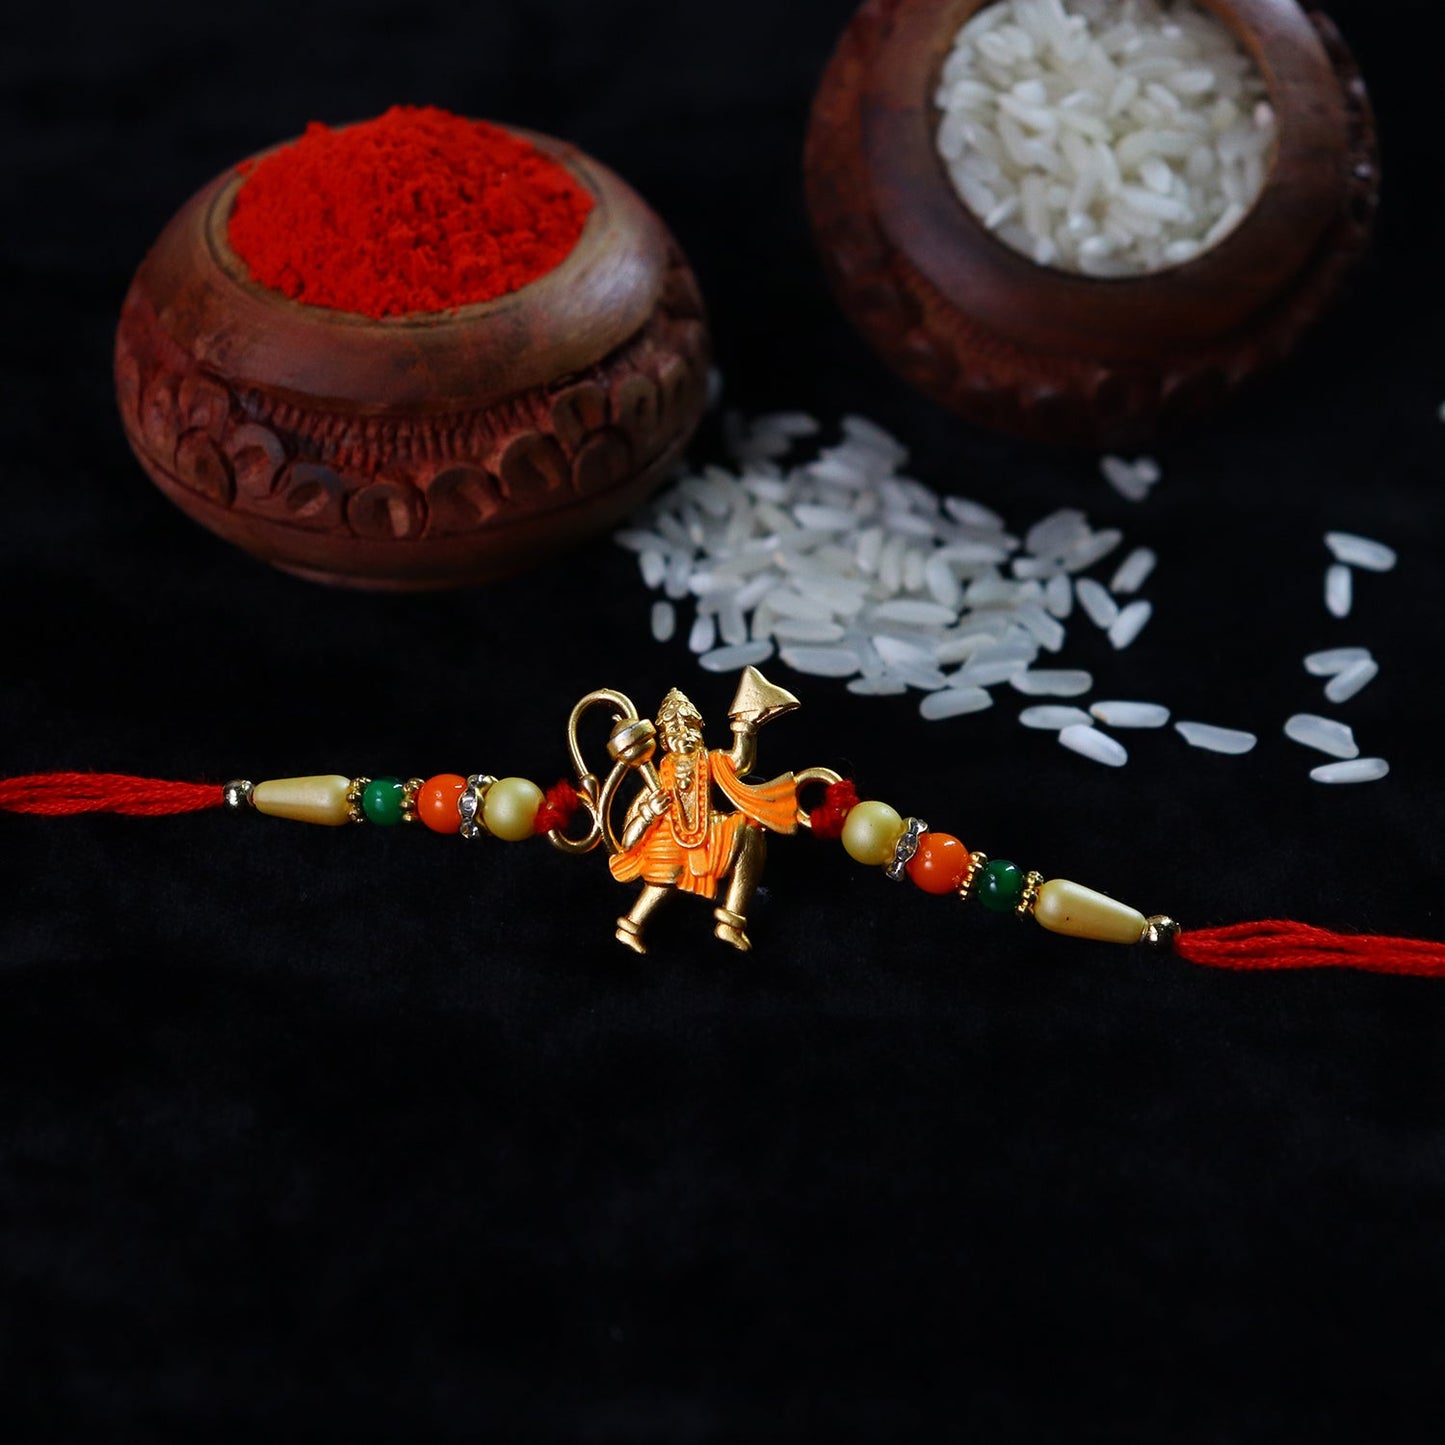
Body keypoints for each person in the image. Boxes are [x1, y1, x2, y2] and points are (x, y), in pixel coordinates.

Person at [609, 687, 798, 953]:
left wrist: (745, 724)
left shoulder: (708, 761)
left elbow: (741, 761)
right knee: (662, 881)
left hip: (708, 836)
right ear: (663, 742)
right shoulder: (658, 783)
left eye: (689, 728)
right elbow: (628, 841)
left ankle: (731, 923)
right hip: (668, 846)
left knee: (750, 834)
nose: (684, 736)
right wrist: (649, 813)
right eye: (674, 732)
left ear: (700, 730)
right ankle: (630, 927)